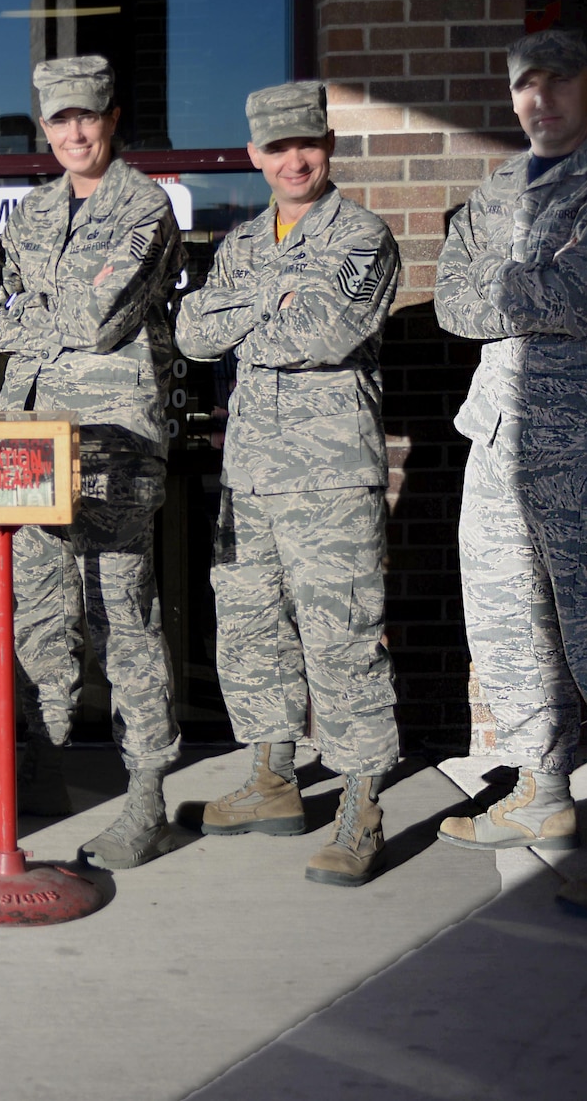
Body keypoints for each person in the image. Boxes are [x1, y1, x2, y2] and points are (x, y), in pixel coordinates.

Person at [434, 30, 587, 916]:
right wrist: (517, 282)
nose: (541, 98)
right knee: (507, 628)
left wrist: (501, 284)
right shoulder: (502, 186)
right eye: (525, 83)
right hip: (499, 436)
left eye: (559, 80)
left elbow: (571, 297)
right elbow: (450, 299)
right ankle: (542, 796)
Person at [176, 82, 403, 887]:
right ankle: (273, 781)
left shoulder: (363, 237)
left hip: (331, 479)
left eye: (306, 144)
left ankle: (360, 807)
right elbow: (191, 332)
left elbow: (323, 333)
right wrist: (264, 298)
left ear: (328, 146)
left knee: (341, 640)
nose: (293, 160)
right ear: (254, 157)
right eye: (276, 148)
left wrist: (246, 313)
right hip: (250, 478)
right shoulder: (241, 242)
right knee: (251, 631)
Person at [0, 56, 185, 870]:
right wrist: (31, 312)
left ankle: (145, 794)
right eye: (59, 120)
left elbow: (96, 320)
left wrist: (33, 311)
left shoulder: (144, 206)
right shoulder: (31, 212)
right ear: (45, 126)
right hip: (28, 434)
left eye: (87, 116)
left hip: (111, 441)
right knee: (38, 612)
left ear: (113, 116)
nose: (75, 133)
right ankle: (40, 770)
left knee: (122, 616)